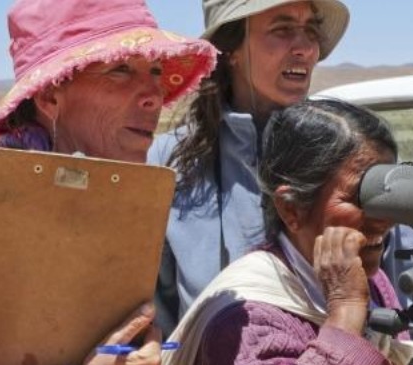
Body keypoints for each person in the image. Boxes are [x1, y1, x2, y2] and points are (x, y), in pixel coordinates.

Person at [0, 0, 217, 364]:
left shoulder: (103, 203)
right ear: (50, 95)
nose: (154, 96)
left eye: (156, 71)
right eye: (121, 70)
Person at [160, 99, 413, 365]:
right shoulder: (245, 324)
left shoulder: (368, 279)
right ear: (291, 209)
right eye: (361, 196)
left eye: (385, 197)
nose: (385, 219)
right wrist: (345, 313)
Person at [147, 0, 350, 335]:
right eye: (282, 30)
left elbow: (399, 290)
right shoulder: (170, 161)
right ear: (232, 50)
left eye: (310, 31)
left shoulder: (347, 151)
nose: (304, 48)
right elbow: (158, 312)